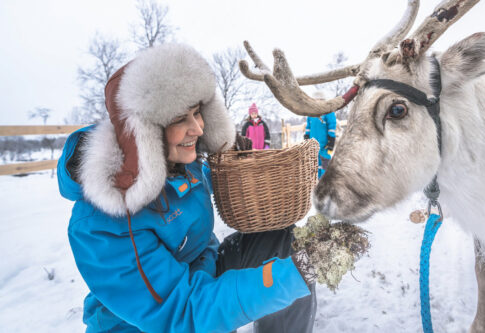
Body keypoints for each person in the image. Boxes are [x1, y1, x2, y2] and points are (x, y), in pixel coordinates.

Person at [57, 43, 316, 333]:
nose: (198, 129)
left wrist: (237, 161)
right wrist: (294, 275)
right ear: (145, 133)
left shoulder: (182, 163)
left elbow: (209, 176)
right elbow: (182, 314)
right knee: (289, 273)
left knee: (280, 240)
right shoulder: (102, 224)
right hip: (149, 323)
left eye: (197, 112)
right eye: (181, 119)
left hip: (203, 270)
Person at [304, 91, 336, 178]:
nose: (317, 102)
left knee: (325, 162)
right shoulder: (311, 113)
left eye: (319, 100)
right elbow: (308, 125)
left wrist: (331, 139)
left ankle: (325, 180)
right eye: (315, 100)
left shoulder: (328, 111)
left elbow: (332, 125)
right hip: (312, 143)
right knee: (313, 163)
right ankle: (315, 181)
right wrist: (306, 135)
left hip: (324, 143)